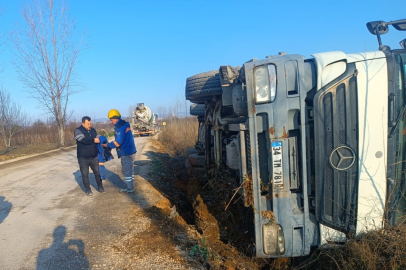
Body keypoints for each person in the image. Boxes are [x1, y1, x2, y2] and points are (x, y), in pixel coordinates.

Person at [103, 109, 137, 193]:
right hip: (131, 150)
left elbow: (118, 142)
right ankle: (130, 186)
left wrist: (107, 145)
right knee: (130, 170)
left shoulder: (120, 127)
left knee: (126, 170)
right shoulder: (125, 125)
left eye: (111, 120)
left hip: (126, 152)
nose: (111, 122)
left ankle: (129, 188)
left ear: (115, 118)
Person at [74, 116, 105, 196]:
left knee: (97, 172)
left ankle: (100, 186)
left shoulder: (93, 130)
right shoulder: (78, 131)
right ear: (83, 123)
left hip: (94, 156)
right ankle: (88, 189)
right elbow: (83, 139)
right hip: (83, 157)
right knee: (85, 174)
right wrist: (93, 140)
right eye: (88, 124)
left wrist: (101, 139)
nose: (89, 125)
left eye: (90, 124)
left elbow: (98, 137)